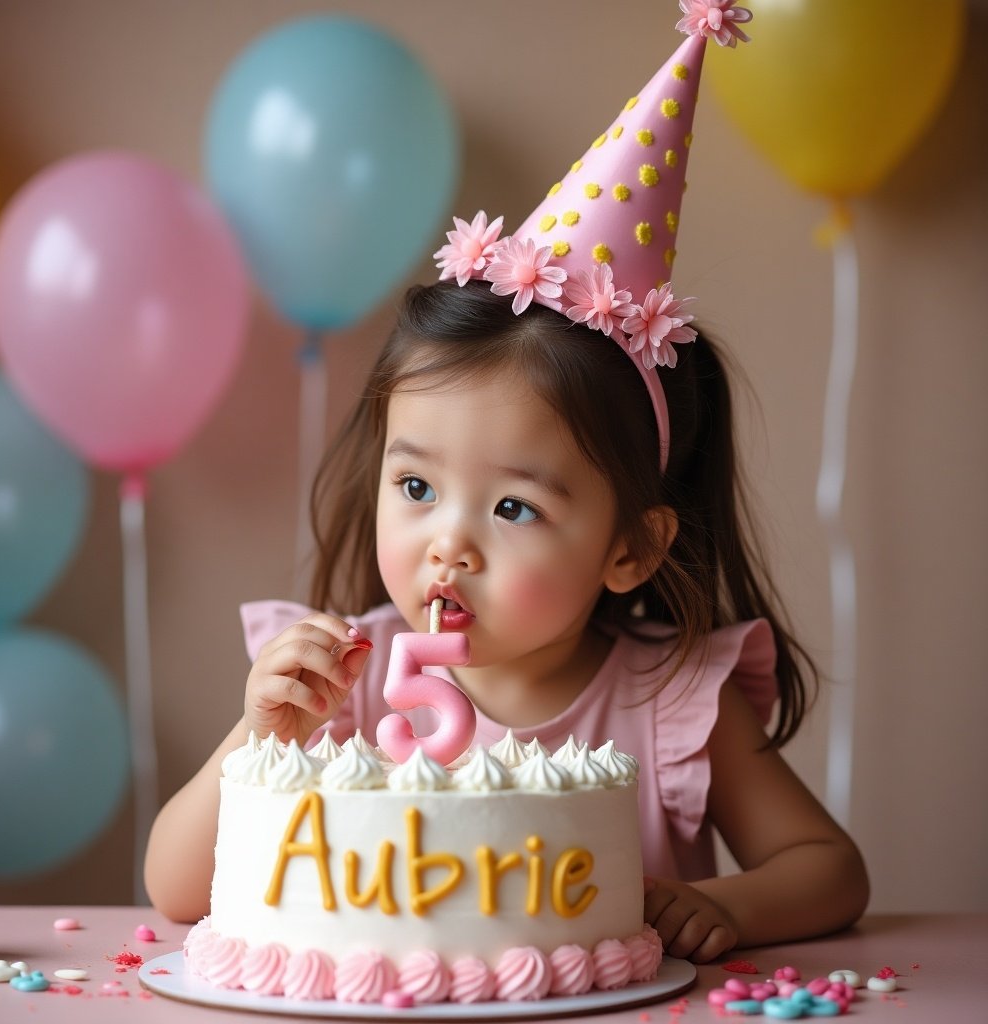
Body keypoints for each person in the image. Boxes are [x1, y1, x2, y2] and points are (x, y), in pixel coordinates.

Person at [145, 0, 868, 963]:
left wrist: (731, 906)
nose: (449, 542)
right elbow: (174, 888)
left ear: (630, 548)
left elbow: (830, 866)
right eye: (415, 489)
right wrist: (257, 735)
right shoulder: (350, 683)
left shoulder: (672, 698)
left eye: (515, 507)